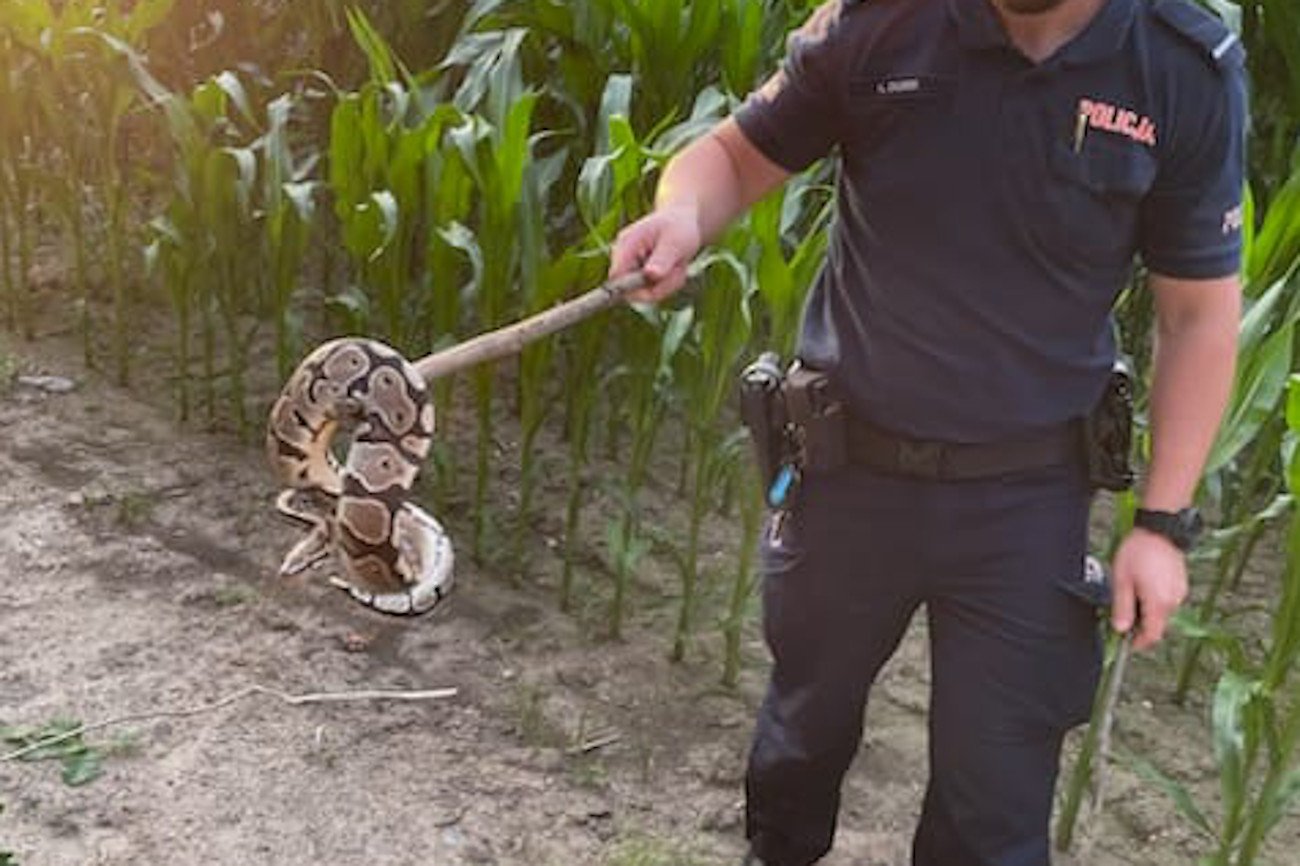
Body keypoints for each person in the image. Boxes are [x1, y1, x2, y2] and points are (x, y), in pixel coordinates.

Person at [607, 0, 1246, 864]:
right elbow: (728, 157)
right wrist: (684, 215)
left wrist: (1162, 526)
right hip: (847, 475)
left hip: (1024, 503)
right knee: (800, 744)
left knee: (993, 816)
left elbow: (1198, 317)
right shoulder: (882, 22)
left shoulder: (1179, 67)